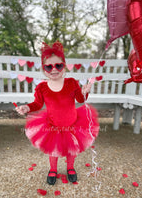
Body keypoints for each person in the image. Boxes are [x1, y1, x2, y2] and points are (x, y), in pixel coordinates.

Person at [15, 41, 99, 185]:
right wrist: (27, 108)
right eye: (49, 66)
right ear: (44, 69)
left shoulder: (71, 83)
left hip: (72, 123)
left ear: (64, 66)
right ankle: (53, 169)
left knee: (72, 148)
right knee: (53, 149)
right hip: (52, 124)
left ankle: (70, 168)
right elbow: (37, 104)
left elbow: (80, 99)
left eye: (58, 65)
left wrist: (85, 92)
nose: (54, 69)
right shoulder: (42, 87)